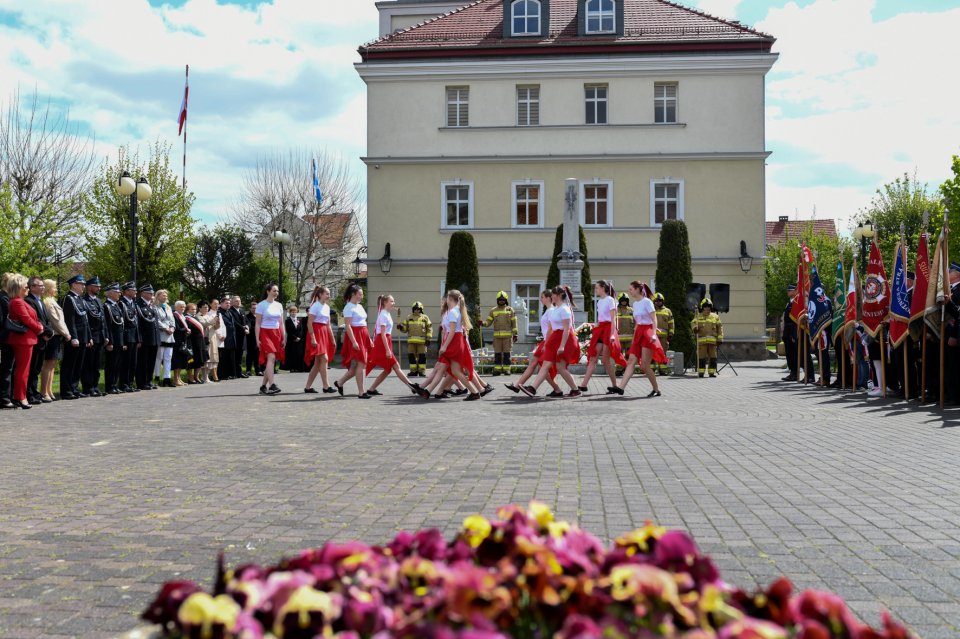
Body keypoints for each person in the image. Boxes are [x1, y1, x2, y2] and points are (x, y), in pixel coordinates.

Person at [417, 289, 485, 401]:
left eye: (447, 298)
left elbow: (452, 331)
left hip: (454, 341)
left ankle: (474, 392)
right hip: (456, 341)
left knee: (454, 370)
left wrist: (444, 346)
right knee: (454, 371)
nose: (446, 300)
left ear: (450, 299)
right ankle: (473, 392)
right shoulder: (456, 310)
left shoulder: (453, 312)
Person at [519, 286, 582, 398]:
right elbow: (550, 329)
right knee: (545, 364)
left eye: (553, 294)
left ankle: (575, 390)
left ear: (559, 296)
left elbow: (567, 329)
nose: (551, 296)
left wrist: (562, 346)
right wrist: (547, 343)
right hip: (555, 338)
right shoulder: (555, 310)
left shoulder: (564, 309)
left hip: (565, 339)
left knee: (560, 367)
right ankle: (533, 388)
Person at [4, 273, 52, 409]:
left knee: (22, 370)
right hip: (23, 340)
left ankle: (20, 396)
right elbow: (27, 319)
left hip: (26, 340)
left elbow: (32, 317)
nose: (27, 288)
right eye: (25, 286)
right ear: (19, 287)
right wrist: (40, 328)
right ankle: (21, 397)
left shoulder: (20, 301)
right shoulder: (17, 302)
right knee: (22, 370)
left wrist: (38, 326)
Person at [610, 281, 665, 397]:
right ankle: (621, 388)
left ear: (638, 289)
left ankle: (656, 389)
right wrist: (635, 332)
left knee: (644, 365)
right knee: (631, 361)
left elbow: (654, 319)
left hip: (647, 333)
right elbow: (637, 321)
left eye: (631, 289)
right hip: (638, 332)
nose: (629, 291)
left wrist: (654, 333)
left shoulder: (647, 302)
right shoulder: (635, 304)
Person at [505, 290, 563, 398]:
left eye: (542, 297)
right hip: (546, 341)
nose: (541, 299)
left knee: (543, 368)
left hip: (548, 341)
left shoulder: (551, 311)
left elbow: (551, 329)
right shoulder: (548, 310)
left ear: (548, 298)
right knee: (534, 363)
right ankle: (517, 386)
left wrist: (547, 344)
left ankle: (556, 389)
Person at [579, 280, 626, 392]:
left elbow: (613, 319)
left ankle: (615, 385)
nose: (595, 290)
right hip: (600, 329)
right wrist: (592, 325)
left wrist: (613, 333)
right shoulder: (599, 302)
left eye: (597, 288)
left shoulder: (610, 300)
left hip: (608, 330)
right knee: (593, 358)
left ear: (603, 288)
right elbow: (601, 319)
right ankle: (584, 384)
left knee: (605, 360)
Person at [365, 294, 416, 396]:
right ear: (385, 303)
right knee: (396, 365)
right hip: (382, 342)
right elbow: (382, 334)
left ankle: (371, 389)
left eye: (393, 301)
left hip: (386, 341)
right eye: (391, 301)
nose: (394, 303)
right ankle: (411, 386)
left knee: (388, 369)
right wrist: (388, 350)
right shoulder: (383, 314)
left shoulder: (387, 313)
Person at [334, 283, 373, 399]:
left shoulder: (359, 306)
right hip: (355, 336)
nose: (362, 296)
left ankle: (340, 383)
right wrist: (354, 341)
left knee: (355, 367)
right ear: (353, 294)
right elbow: (348, 326)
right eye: (360, 294)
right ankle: (361, 392)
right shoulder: (348, 307)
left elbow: (363, 324)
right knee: (361, 363)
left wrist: (369, 339)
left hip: (363, 335)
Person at [60, 274, 91, 400]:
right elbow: (70, 320)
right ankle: (67, 390)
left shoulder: (80, 299)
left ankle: (74, 388)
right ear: (73, 285)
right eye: (81, 284)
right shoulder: (69, 298)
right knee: (69, 365)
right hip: (75, 337)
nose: (83, 286)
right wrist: (73, 336)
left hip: (83, 336)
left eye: (83, 284)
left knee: (78, 365)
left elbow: (85, 320)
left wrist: (89, 337)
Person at [304, 286, 337, 394]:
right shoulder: (315, 306)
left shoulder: (327, 307)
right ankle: (326, 386)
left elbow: (328, 324)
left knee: (318, 362)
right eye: (327, 293)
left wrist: (332, 339)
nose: (328, 295)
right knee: (324, 359)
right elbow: (309, 323)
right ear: (320, 294)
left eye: (329, 293)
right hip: (316, 333)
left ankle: (308, 387)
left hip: (323, 333)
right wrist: (313, 338)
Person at [41, 279, 69, 402]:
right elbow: (55, 321)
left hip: (57, 336)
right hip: (53, 336)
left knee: (53, 364)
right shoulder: (48, 302)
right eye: (54, 287)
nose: (56, 290)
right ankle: (44, 391)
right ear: (48, 288)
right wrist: (67, 334)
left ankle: (49, 389)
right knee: (48, 364)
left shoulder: (51, 301)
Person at [24, 276, 51, 404]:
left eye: (43, 285)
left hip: (43, 339)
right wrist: (45, 332)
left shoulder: (40, 300)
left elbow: (46, 319)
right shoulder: (29, 301)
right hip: (36, 338)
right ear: (32, 287)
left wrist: (49, 331)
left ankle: (34, 392)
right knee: (32, 368)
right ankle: (30, 393)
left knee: (37, 368)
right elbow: (35, 320)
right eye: (40, 286)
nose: (43, 288)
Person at [255, 283, 286, 395]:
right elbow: (257, 324)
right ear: (268, 291)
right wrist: (257, 339)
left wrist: (284, 337)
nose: (276, 293)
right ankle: (272, 385)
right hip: (265, 332)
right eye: (274, 290)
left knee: (271, 361)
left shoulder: (279, 305)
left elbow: (281, 323)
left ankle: (263, 386)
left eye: (277, 291)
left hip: (276, 333)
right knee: (271, 357)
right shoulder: (261, 305)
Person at [81, 277, 107, 396]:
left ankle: (95, 386)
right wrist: (88, 337)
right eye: (96, 286)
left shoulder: (98, 301)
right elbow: (86, 322)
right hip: (92, 336)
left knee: (96, 364)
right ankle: (88, 387)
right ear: (89, 287)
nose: (99, 288)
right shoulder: (84, 301)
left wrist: (106, 335)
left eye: (99, 286)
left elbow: (103, 320)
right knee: (89, 364)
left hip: (100, 336)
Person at [482, 292, 518, 375]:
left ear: (505, 300)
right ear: (497, 300)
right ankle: (497, 370)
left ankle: (507, 370)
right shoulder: (493, 310)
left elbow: (514, 323)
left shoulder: (510, 310)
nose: (501, 301)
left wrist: (515, 334)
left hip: (507, 338)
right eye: (500, 300)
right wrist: (483, 323)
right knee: (497, 354)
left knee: (507, 354)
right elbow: (488, 322)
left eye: (503, 300)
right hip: (497, 338)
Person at [135, 284, 160, 391]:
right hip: (145, 338)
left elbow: (155, 322)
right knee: (143, 362)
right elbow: (138, 324)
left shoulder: (151, 305)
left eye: (152, 293)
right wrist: (139, 338)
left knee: (151, 361)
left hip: (154, 338)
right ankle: (141, 382)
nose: (152, 295)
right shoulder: (138, 305)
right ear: (143, 293)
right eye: (149, 293)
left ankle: (148, 381)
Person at [102, 283, 125, 394]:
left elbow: (121, 325)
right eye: (116, 292)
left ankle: (115, 384)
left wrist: (123, 341)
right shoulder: (106, 306)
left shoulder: (116, 305)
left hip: (119, 339)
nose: (119, 294)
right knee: (111, 364)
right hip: (113, 339)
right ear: (110, 293)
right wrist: (109, 341)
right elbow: (108, 325)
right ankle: (110, 386)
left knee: (118, 364)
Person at [397, 301, 432, 377]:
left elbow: (429, 328)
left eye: (418, 309)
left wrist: (428, 339)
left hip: (422, 342)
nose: (417, 310)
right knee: (411, 356)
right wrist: (401, 327)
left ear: (421, 309)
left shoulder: (425, 318)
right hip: (411, 342)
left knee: (422, 357)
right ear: (413, 309)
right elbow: (405, 329)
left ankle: (421, 371)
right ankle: (413, 371)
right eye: (415, 309)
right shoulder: (409, 317)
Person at [692, 298, 722, 378]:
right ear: (702, 307)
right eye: (705, 306)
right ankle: (701, 372)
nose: (707, 308)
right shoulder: (698, 316)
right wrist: (695, 328)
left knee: (713, 357)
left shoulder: (715, 316)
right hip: (702, 342)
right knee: (701, 357)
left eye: (708, 306)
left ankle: (711, 372)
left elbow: (720, 328)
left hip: (712, 342)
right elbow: (693, 323)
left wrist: (720, 339)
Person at [119, 282, 140, 393]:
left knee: (133, 362)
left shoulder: (133, 304)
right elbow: (122, 323)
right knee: (126, 362)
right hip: (127, 337)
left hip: (134, 337)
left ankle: (130, 383)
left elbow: (136, 323)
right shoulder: (122, 304)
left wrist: (138, 338)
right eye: (133, 290)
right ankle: (124, 384)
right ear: (126, 291)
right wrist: (123, 341)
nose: (135, 291)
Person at [154, 289, 176, 387]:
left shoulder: (168, 307)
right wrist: (165, 328)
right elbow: (156, 320)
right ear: (158, 296)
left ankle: (167, 378)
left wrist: (172, 328)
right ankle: (157, 377)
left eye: (166, 296)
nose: (165, 297)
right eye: (163, 295)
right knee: (159, 357)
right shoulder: (154, 307)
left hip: (169, 335)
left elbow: (172, 319)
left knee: (168, 357)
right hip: (161, 334)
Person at [184, 302, 207, 383]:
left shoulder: (196, 318)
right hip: (192, 342)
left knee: (200, 360)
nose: (194, 311)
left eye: (195, 309)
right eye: (192, 309)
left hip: (200, 342)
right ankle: (190, 378)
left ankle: (196, 377)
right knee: (191, 361)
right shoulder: (186, 318)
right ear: (187, 310)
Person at [653, 292, 675, 376]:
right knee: (652, 352)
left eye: (660, 301)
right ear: (654, 302)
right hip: (653, 336)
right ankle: (652, 369)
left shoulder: (667, 311)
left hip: (664, 336)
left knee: (663, 353)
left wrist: (671, 334)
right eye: (656, 301)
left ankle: (663, 370)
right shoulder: (651, 310)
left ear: (663, 301)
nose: (658, 302)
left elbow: (671, 323)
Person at [200, 300, 222, 383]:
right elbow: (204, 324)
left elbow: (215, 327)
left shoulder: (209, 316)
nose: (206, 309)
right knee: (206, 359)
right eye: (204, 307)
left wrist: (217, 322)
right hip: (205, 339)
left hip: (212, 338)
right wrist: (213, 320)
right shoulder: (199, 316)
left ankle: (207, 377)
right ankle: (204, 377)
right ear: (200, 308)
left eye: (207, 307)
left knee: (211, 358)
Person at [0, 273, 14, 408]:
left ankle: (8, 395)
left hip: (9, 337)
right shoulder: (3, 298)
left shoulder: (7, 298)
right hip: (5, 338)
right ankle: (4, 398)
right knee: (6, 368)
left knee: (9, 368)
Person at [171, 300, 190, 387]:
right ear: (176, 307)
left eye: (184, 306)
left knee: (181, 360)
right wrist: (186, 330)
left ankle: (179, 378)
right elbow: (177, 328)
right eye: (181, 306)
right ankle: (175, 379)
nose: (183, 308)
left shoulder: (182, 316)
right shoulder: (175, 316)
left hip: (182, 340)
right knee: (177, 361)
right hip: (177, 341)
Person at [218, 297, 237, 380]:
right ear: (221, 303)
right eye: (226, 303)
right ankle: (222, 375)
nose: (228, 304)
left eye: (229, 303)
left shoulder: (229, 312)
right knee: (223, 358)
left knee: (231, 358)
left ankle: (230, 374)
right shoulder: (219, 313)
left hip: (232, 338)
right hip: (224, 338)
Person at [284, 305, 306, 372]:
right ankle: (292, 368)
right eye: (292, 312)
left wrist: (299, 337)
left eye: (295, 312)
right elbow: (288, 331)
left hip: (299, 341)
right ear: (290, 313)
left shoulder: (299, 320)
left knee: (298, 354)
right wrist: (295, 337)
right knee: (292, 354)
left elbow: (301, 330)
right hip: (291, 340)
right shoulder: (287, 321)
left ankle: (298, 367)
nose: (293, 313)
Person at [244, 301, 260, 376]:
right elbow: (249, 325)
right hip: (250, 339)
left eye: (256, 308)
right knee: (249, 355)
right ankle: (248, 370)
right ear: (250, 308)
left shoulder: (260, 316)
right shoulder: (247, 317)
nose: (254, 309)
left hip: (259, 339)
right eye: (253, 308)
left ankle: (258, 370)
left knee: (258, 355)